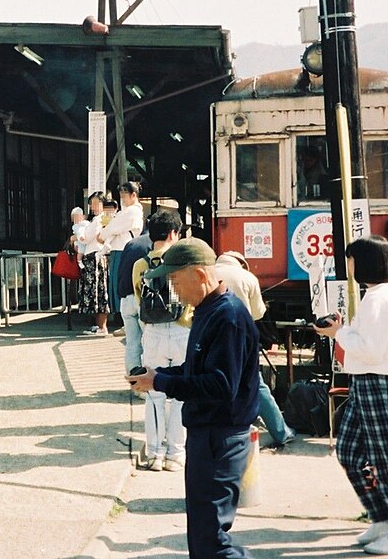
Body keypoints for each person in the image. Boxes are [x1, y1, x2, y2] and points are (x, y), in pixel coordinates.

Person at [128, 238, 260, 559]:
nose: (172, 289)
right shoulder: (206, 309)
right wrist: (159, 376)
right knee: (202, 536)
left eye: (175, 280)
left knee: (211, 541)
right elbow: (197, 368)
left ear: (200, 275)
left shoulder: (228, 316)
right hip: (207, 434)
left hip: (222, 437)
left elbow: (220, 385)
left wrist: (161, 381)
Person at [314, 235, 388, 555]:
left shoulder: (380, 300)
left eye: (351, 260)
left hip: (381, 383)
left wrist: (338, 333)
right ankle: (383, 516)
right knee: (352, 452)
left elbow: (370, 349)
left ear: (363, 263)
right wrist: (344, 332)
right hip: (377, 383)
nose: (348, 266)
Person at [130, 209, 192, 471]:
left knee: (153, 395)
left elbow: (137, 299)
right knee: (180, 395)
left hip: (153, 333)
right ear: (174, 233)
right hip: (182, 330)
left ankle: (155, 454)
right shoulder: (183, 259)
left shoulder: (141, 265)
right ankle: (175, 456)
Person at [215, 251, 296, 447]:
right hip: (241, 336)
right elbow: (258, 313)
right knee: (255, 384)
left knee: (216, 382)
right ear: (241, 263)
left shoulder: (209, 273)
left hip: (212, 335)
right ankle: (281, 431)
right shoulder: (247, 277)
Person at [96, 181, 144, 331]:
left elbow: (112, 228)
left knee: (120, 284)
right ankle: (125, 320)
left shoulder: (131, 211)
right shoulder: (131, 211)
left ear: (133, 195)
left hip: (122, 248)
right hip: (122, 247)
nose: (122, 199)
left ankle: (125, 320)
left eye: (124, 195)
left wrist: (102, 235)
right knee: (122, 283)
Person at [115, 221, 152, 377]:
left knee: (132, 343)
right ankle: (148, 381)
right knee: (150, 342)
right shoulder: (154, 245)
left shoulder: (131, 243)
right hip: (142, 298)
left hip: (126, 298)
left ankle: (133, 379)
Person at [77, 192, 111, 335]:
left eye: (97, 203)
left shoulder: (100, 219)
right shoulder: (100, 219)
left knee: (97, 291)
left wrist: (78, 234)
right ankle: (99, 326)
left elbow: (85, 238)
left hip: (95, 257)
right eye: (92, 203)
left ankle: (102, 327)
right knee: (96, 291)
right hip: (95, 257)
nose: (93, 206)